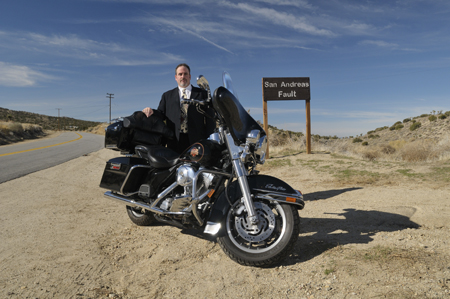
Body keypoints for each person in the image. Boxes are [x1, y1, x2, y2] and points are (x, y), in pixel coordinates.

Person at [142, 63, 215, 153]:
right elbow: (161, 114)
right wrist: (151, 111)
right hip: (174, 141)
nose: (183, 76)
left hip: (197, 141)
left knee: (196, 166)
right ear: (176, 77)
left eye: (185, 74)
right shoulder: (167, 96)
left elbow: (210, 119)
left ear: (190, 76)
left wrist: (209, 140)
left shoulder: (202, 94)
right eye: (180, 74)